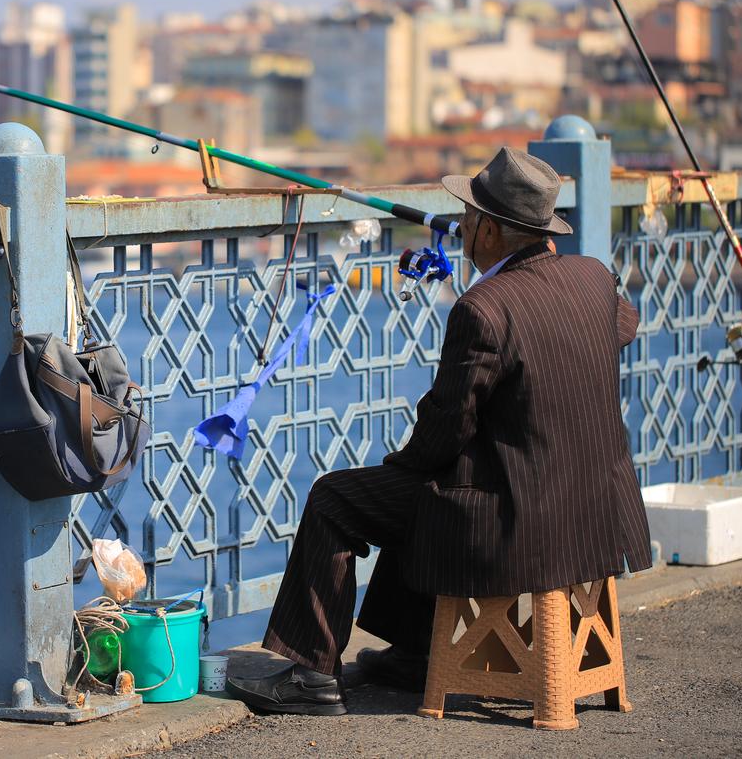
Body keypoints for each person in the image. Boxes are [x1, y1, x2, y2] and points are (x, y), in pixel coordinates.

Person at [226, 147, 652, 715]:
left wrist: (396, 468)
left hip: (519, 525)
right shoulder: (595, 279)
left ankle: (312, 677)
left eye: (471, 218)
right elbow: (625, 324)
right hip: (597, 513)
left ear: (494, 232)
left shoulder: (484, 307)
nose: (462, 228)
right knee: (422, 491)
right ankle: (420, 652)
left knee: (340, 497)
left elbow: (446, 430)